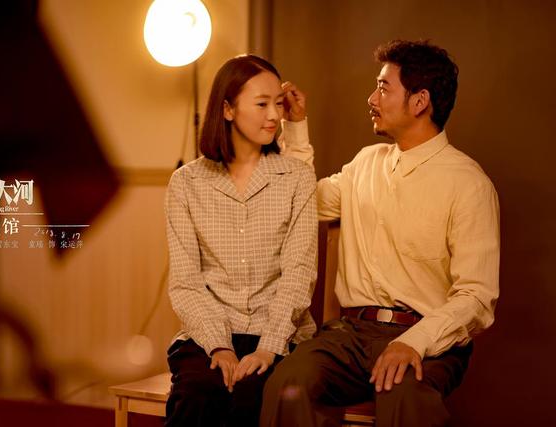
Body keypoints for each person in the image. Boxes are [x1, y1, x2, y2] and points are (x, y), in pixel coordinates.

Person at [261, 40, 500, 427]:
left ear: (419, 101)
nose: (372, 99)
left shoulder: (469, 184)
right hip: (349, 335)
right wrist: (296, 126)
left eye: (384, 88)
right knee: (288, 381)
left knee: (404, 391)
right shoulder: (365, 164)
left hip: (427, 336)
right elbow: (299, 202)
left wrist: (414, 342)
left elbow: (476, 297)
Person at [164, 54, 317, 427]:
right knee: (197, 392)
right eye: (261, 104)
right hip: (210, 332)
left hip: (278, 333)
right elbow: (186, 282)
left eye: (277, 104)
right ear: (228, 109)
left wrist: (268, 347)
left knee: (252, 397)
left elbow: (299, 274)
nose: (274, 115)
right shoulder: (186, 183)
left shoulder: (297, 178)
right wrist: (219, 345)